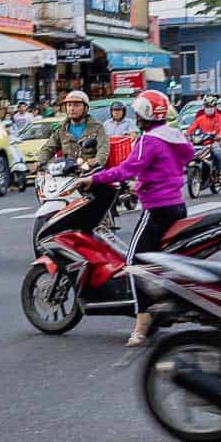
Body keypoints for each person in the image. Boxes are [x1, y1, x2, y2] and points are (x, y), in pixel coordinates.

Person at [75, 90, 191, 345]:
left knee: (133, 261)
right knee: (156, 260)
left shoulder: (148, 141)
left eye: (139, 112)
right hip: (178, 206)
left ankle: (141, 325)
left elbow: (127, 169)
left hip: (156, 209)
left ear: (145, 115)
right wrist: (145, 182)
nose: (136, 116)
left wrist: (93, 178)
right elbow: (183, 159)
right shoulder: (174, 135)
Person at [35, 90, 110, 170]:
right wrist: (40, 161)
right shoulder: (61, 128)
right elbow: (49, 148)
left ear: (85, 108)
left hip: (89, 172)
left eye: (76, 105)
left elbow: (103, 148)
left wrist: (97, 160)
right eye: (69, 105)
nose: (72, 108)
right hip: (67, 172)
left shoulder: (97, 127)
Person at [185, 94, 221, 184]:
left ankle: (220, 173)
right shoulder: (200, 118)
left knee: (217, 153)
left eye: (211, 106)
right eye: (207, 106)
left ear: (215, 107)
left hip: (214, 142)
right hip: (201, 143)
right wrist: (186, 134)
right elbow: (191, 128)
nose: (208, 108)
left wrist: (219, 136)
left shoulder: (220, 118)